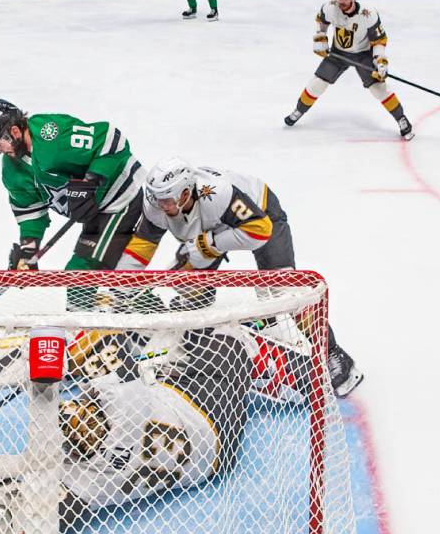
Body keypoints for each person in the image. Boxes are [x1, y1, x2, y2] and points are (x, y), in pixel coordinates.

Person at [0, 327, 252, 534]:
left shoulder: (84, 478)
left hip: (192, 436)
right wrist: (47, 358)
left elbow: (43, 511)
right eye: (84, 417)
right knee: (225, 334)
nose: (77, 409)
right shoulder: (122, 417)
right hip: (209, 418)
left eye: (74, 413)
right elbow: (127, 371)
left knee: (153, 345)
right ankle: (266, 356)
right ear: (98, 438)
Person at [115, 156, 364, 397]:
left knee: (285, 291)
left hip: (261, 214)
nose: (160, 205)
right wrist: (120, 285)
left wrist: (208, 244)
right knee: (188, 287)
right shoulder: (157, 203)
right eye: (156, 199)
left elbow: (260, 229)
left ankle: (334, 353)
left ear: (184, 193)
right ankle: (194, 350)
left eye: (166, 200)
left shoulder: (217, 193)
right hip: (211, 228)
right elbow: (143, 244)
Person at [0, 99, 145, 309]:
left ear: (15, 132)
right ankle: (98, 323)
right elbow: (30, 213)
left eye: (0, 143)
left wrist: (92, 180)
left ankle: (95, 327)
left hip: (120, 198)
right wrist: (28, 250)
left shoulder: (51, 135)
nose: (0, 151)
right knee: (82, 276)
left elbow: (112, 140)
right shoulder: (12, 171)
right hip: (96, 214)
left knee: (80, 275)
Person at [283, 0, 413, 140]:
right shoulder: (330, 7)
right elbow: (321, 22)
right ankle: (299, 110)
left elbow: (379, 40)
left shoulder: (368, 14)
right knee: (317, 83)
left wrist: (380, 61)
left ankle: (401, 118)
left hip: (363, 54)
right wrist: (321, 37)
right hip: (339, 53)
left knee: (379, 88)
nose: (342, 0)